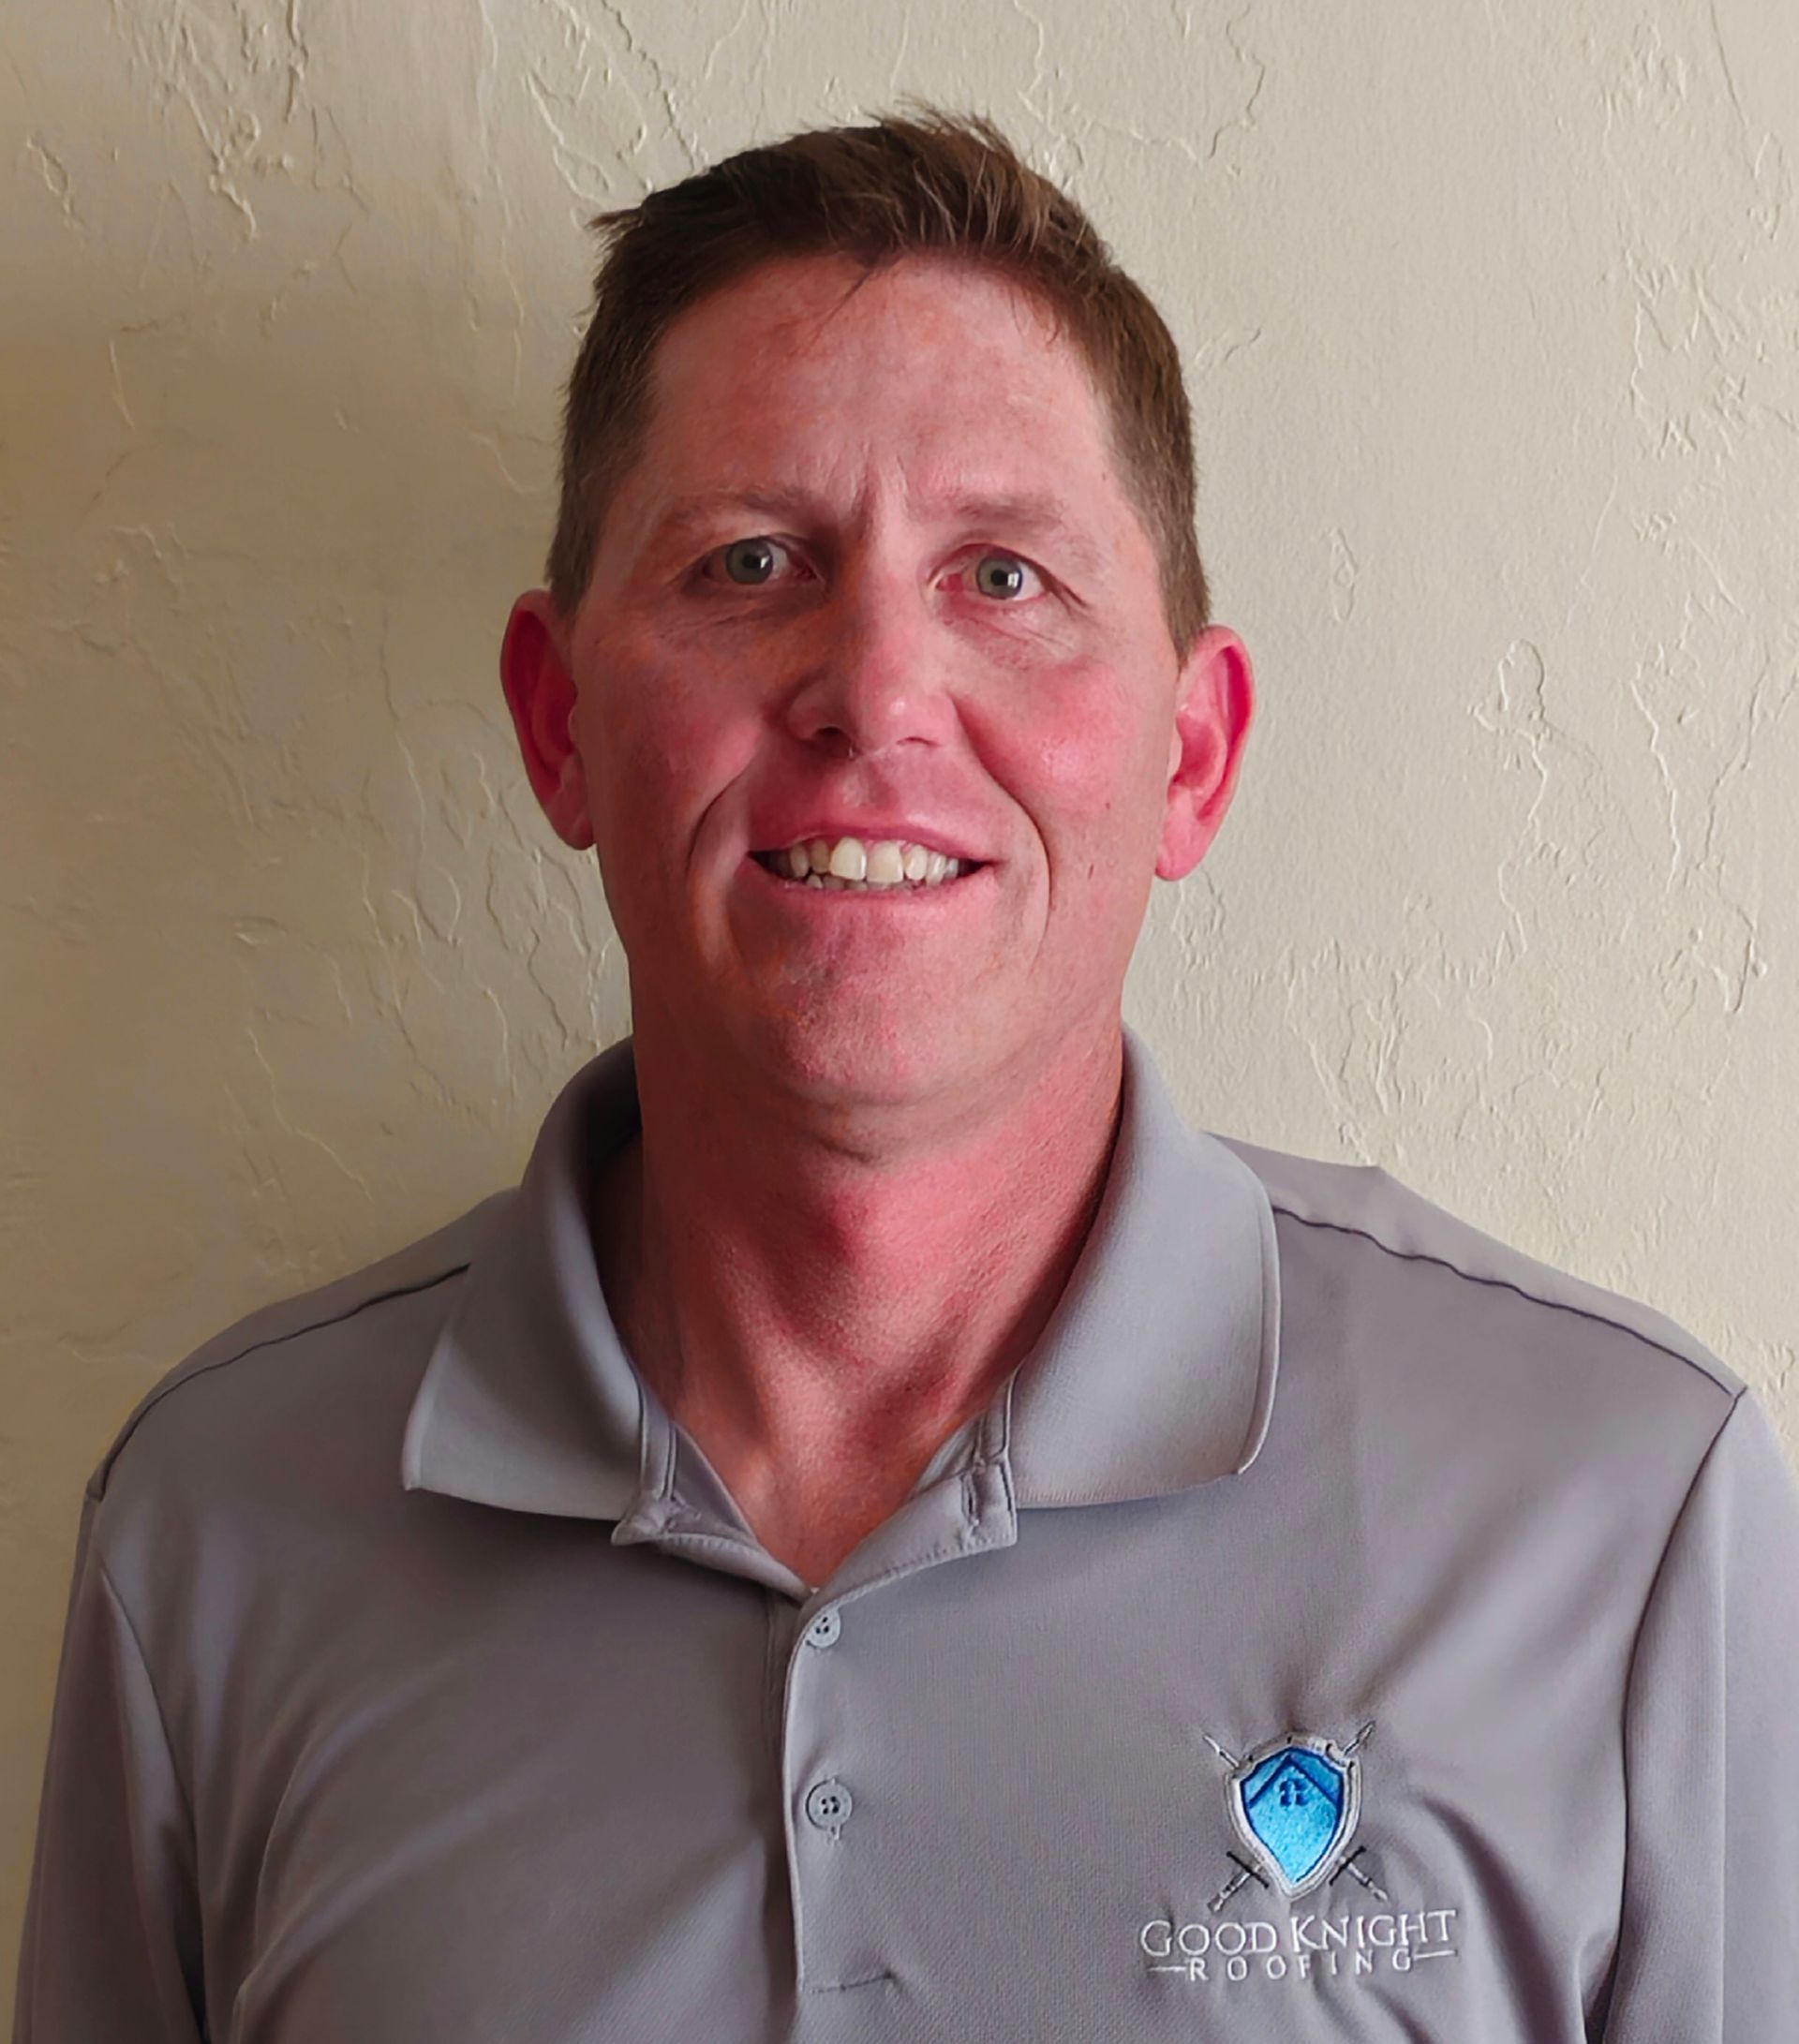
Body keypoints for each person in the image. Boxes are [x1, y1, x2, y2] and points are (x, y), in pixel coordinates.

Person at [14, 104, 1799, 2044]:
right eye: (751, 558)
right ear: (559, 725)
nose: (874, 688)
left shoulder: (1614, 1515)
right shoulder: (216, 1527)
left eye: (1007, 577)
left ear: (1191, 758)